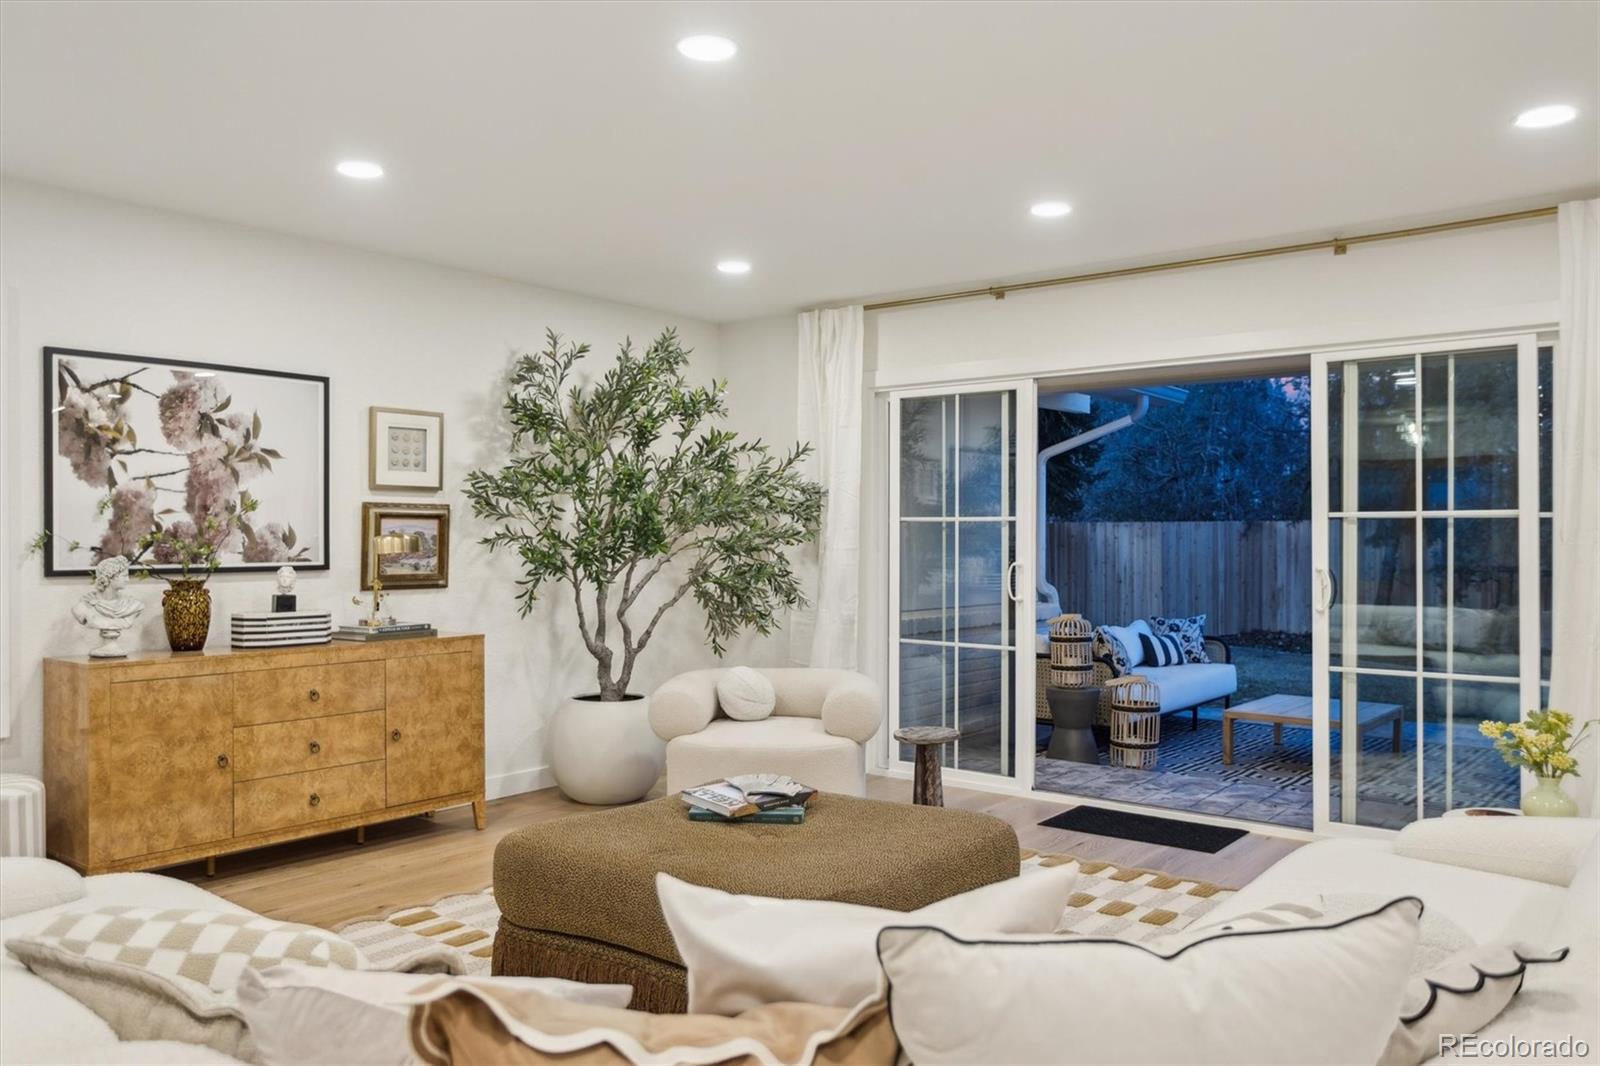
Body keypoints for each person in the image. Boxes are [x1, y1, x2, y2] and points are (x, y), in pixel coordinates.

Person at [72, 556, 144, 657]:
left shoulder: (133, 605)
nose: (127, 580)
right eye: (124, 576)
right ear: (110, 577)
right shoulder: (84, 606)